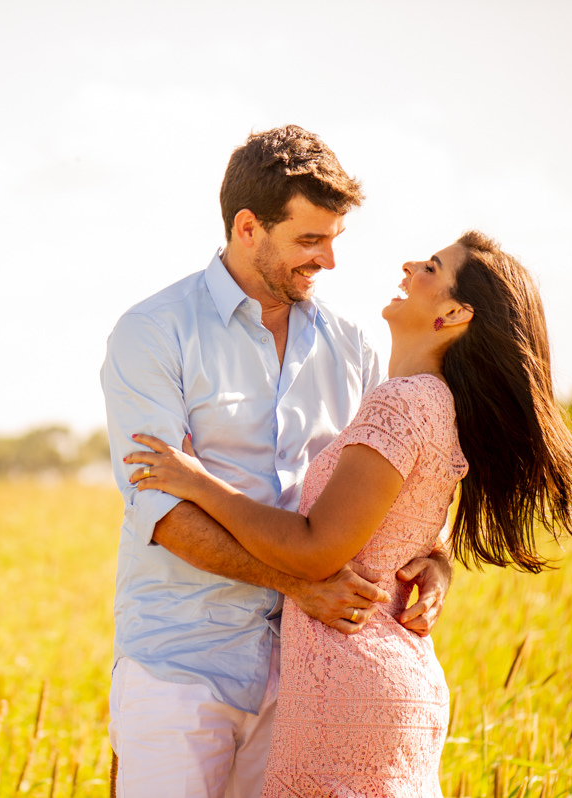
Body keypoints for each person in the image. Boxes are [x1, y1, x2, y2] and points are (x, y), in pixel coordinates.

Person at [125, 231, 572, 796]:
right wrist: (441, 563)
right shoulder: (436, 404)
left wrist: (199, 482)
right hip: (393, 674)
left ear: (455, 313)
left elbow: (317, 548)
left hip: (352, 675)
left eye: (432, 267)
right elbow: (413, 528)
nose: (410, 266)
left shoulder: (401, 403)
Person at [100, 125, 455, 797]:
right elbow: (165, 514)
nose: (327, 261)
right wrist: (297, 582)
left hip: (306, 678)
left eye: (333, 240)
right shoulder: (154, 332)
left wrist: (437, 558)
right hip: (180, 669)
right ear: (246, 228)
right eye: (309, 240)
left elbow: (379, 488)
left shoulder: (352, 346)